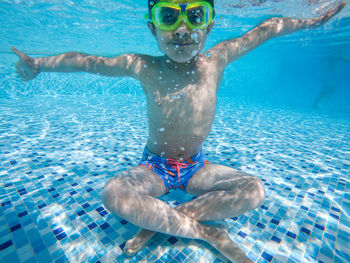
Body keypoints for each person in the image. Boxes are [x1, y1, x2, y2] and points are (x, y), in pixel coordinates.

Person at [12, 0, 346, 262]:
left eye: (196, 15)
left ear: (210, 24)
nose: (183, 29)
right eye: (168, 17)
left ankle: (165, 222)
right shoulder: (142, 66)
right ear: (152, 27)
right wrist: (40, 65)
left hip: (197, 167)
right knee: (113, 194)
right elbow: (89, 62)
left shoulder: (217, 59)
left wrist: (313, 20)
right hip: (154, 168)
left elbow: (266, 29)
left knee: (254, 190)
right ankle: (206, 233)